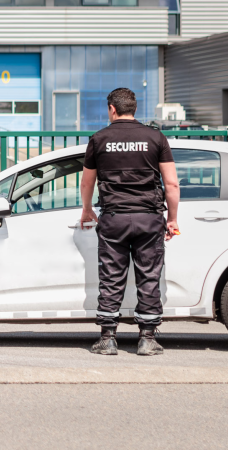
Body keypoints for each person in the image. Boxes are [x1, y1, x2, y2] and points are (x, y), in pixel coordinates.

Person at [79, 88, 180, 356]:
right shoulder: (155, 137)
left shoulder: (99, 139)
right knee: (149, 276)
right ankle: (147, 338)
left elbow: (88, 181)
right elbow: (171, 183)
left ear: (112, 109)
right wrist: (172, 219)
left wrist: (87, 210)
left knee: (111, 276)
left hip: (114, 218)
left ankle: (108, 338)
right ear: (134, 108)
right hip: (149, 218)